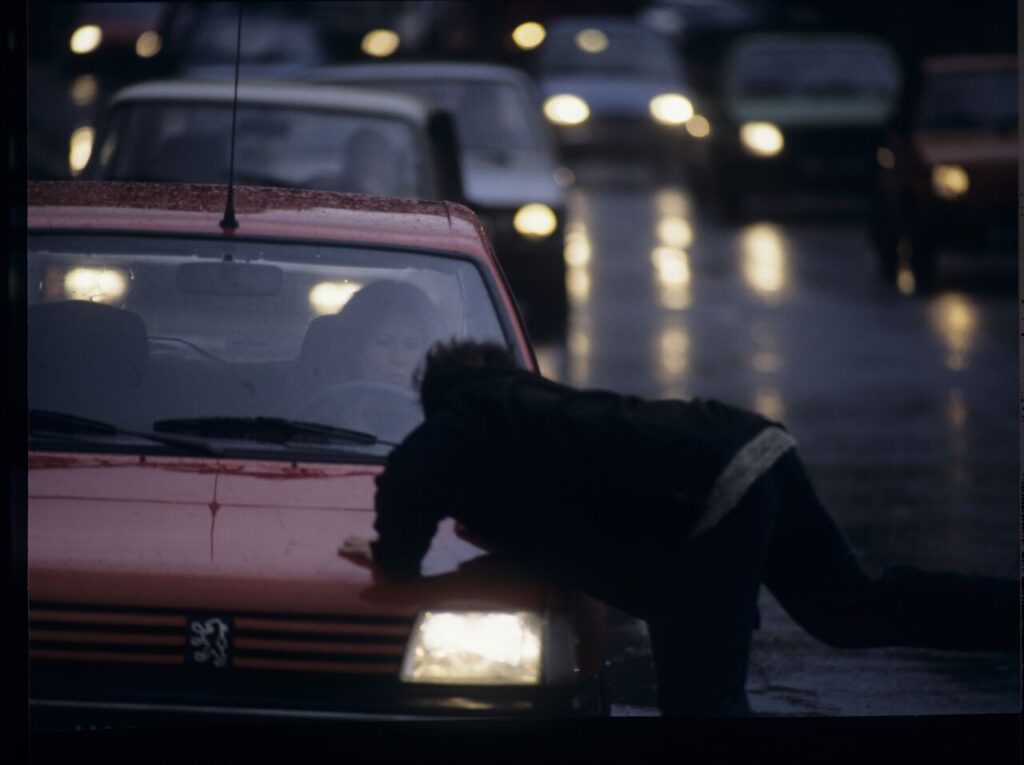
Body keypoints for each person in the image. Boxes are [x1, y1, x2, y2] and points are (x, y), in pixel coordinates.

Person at [339, 339, 1019, 717]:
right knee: (848, 609)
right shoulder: (525, 411)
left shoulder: (471, 412)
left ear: (441, 399)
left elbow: (408, 474)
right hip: (753, 446)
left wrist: (393, 556)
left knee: (704, 704)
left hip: (714, 493)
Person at [296, 280, 438, 437]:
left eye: (412, 345)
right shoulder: (318, 411)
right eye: (383, 343)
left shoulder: (440, 414)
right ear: (356, 347)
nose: (399, 358)